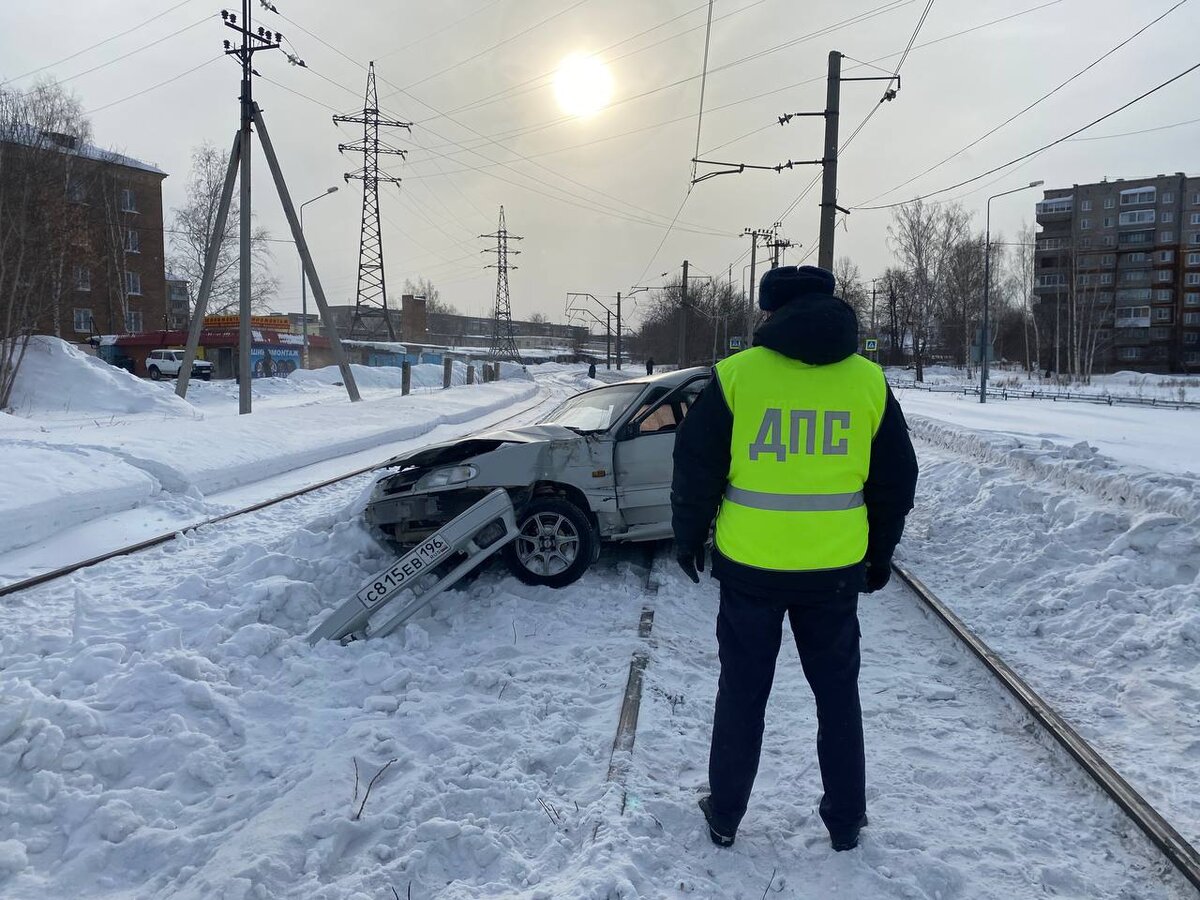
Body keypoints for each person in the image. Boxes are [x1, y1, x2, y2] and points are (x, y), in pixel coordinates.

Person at [670, 264, 918, 853]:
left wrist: (687, 536)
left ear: (769, 313)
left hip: (750, 568)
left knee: (742, 694)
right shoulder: (868, 383)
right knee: (838, 698)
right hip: (833, 574)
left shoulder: (735, 377)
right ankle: (845, 820)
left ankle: (725, 814)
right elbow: (895, 479)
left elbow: (695, 468)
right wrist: (878, 554)